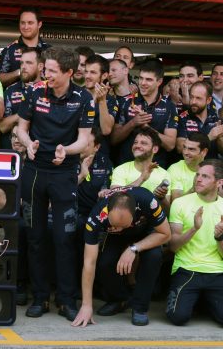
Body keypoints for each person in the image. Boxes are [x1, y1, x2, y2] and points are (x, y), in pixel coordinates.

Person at [15, 47, 94, 322]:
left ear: (69, 72)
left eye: (52, 70)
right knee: (34, 237)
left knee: (64, 239)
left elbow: (85, 140)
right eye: (45, 69)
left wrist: (66, 151)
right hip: (35, 170)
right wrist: (29, 145)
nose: (45, 74)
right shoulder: (34, 92)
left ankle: (66, 299)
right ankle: (39, 297)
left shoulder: (85, 98)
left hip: (64, 172)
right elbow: (20, 128)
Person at [72, 187, 171, 327]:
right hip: (116, 238)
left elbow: (166, 234)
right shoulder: (96, 216)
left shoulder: (147, 201)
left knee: (154, 257)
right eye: (114, 225)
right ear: (107, 212)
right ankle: (120, 299)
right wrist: (86, 305)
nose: (119, 228)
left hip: (146, 231)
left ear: (135, 212)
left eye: (124, 225)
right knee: (105, 263)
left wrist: (134, 248)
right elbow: (89, 262)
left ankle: (139, 308)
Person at [167, 159, 223, 326]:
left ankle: (203, 300)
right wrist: (193, 229)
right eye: (198, 175)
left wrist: (220, 237)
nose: (198, 179)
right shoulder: (180, 203)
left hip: (217, 271)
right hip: (187, 269)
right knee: (178, 317)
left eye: (205, 176)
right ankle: (200, 300)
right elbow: (173, 246)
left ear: (219, 182)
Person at [111, 59, 178, 167]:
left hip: (156, 169)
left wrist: (146, 127)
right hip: (126, 168)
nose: (142, 83)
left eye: (148, 79)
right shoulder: (125, 102)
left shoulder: (169, 107)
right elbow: (114, 139)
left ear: (159, 82)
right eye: (141, 78)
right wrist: (133, 123)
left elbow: (170, 145)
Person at [110, 128, 171, 211]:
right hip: (126, 220)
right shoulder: (120, 169)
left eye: (143, 143)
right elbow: (114, 198)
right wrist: (141, 179)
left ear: (155, 149)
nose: (137, 145)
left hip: (153, 221)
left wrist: (162, 198)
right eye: (135, 142)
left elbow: (167, 212)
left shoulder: (164, 174)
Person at [0, 47, 44, 149]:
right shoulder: (11, 90)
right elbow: (2, 127)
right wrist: (23, 113)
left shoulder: (50, 90)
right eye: (22, 63)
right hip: (14, 154)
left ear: (40, 66)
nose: (23, 67)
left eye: (29, 63)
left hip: (41, 154)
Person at [0, 6, 50, 87]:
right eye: (22, 23)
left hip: (43, 98)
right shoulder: (9, 50)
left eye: (30, 23)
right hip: (14, 98)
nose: (26, 27)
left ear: (39, 24)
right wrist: (18, 72)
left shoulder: (50, 51)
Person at [83, 54, 118, 158]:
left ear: (104, 76)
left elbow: (106, 130)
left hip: (100, 157)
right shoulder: (76, 94)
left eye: (93, 72)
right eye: (86, 71)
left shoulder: (111, 100)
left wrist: (102, 101)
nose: (87, 76)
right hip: (75, 156)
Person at [176, 81, 223, 158]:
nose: (193, 101)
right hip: (190, 167)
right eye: (191, 97)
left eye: (198, 98)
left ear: (208, 100)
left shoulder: (216, 119)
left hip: (212, 166)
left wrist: (220, 139)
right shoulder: (183, 118)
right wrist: (208, 138)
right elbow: (180, 148)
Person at [168, 132, 209, 203]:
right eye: (184, 147)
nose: (185, 152)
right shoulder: (175, 169)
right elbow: (176, 203)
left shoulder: (212, 171)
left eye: (191, 149)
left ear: (204, 152)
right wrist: (193, 189)